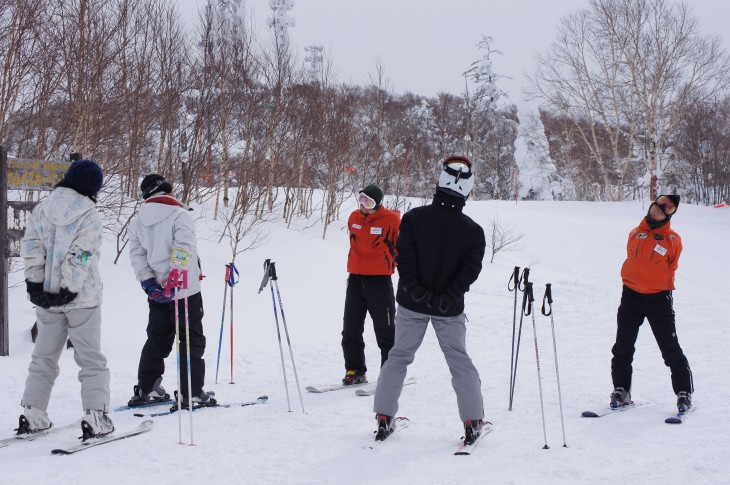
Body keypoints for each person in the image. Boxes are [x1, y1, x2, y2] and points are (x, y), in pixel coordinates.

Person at [373, 156, 486, 444]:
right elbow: (468, 272)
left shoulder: (413, 218)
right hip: (448, 309)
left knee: (397, 357)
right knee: (459, 361)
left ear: (439, 184)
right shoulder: (473, 231)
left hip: (412, 303)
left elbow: (404, 259)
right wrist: (447, 297)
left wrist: (417, 291)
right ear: (467, 191)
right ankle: (473, 422)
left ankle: (384, 417)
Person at [19, 159, 114, 440]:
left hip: (48, 298)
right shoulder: (89, 215)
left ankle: (33, 411)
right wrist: (70, 287)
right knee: (91, 359)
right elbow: (82, 254)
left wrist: (35, 284)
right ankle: (96, 414)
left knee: (43, 357)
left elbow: (32, 247)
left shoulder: (43, 209)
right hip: (81, 298)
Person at [127, 174, 214, 410]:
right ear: (166, 189)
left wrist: (148, 282)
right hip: (184, 291)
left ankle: (148, 387)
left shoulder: (137, 222)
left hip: (157, 292)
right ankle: (191, 393)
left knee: (157, 337)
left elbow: (137, 255)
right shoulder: (179, 215)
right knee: (190, 339)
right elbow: (183, 249)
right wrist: (175, 280)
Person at [610, 194, 694, 413]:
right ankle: (621, 390)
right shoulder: (634, 233)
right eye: (656, 207)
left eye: (663, 210)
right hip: (630, 296)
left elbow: (672, 265)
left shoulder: (672, 240)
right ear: (651, 207)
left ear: (669, 215)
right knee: (623, 347)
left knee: (670, 350)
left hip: (658, 299)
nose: (657, 211)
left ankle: (684, 394)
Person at [341, 184, 400, 385]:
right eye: (361, 200)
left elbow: (400, 249)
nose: (363, 205)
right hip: (356, 279)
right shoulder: (353, 218)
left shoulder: (392, 220)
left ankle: (389, 372)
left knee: (386, 330)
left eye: (368, 202)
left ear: (378, 203)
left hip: (380, 281)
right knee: (350, 329)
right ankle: (354, 370)